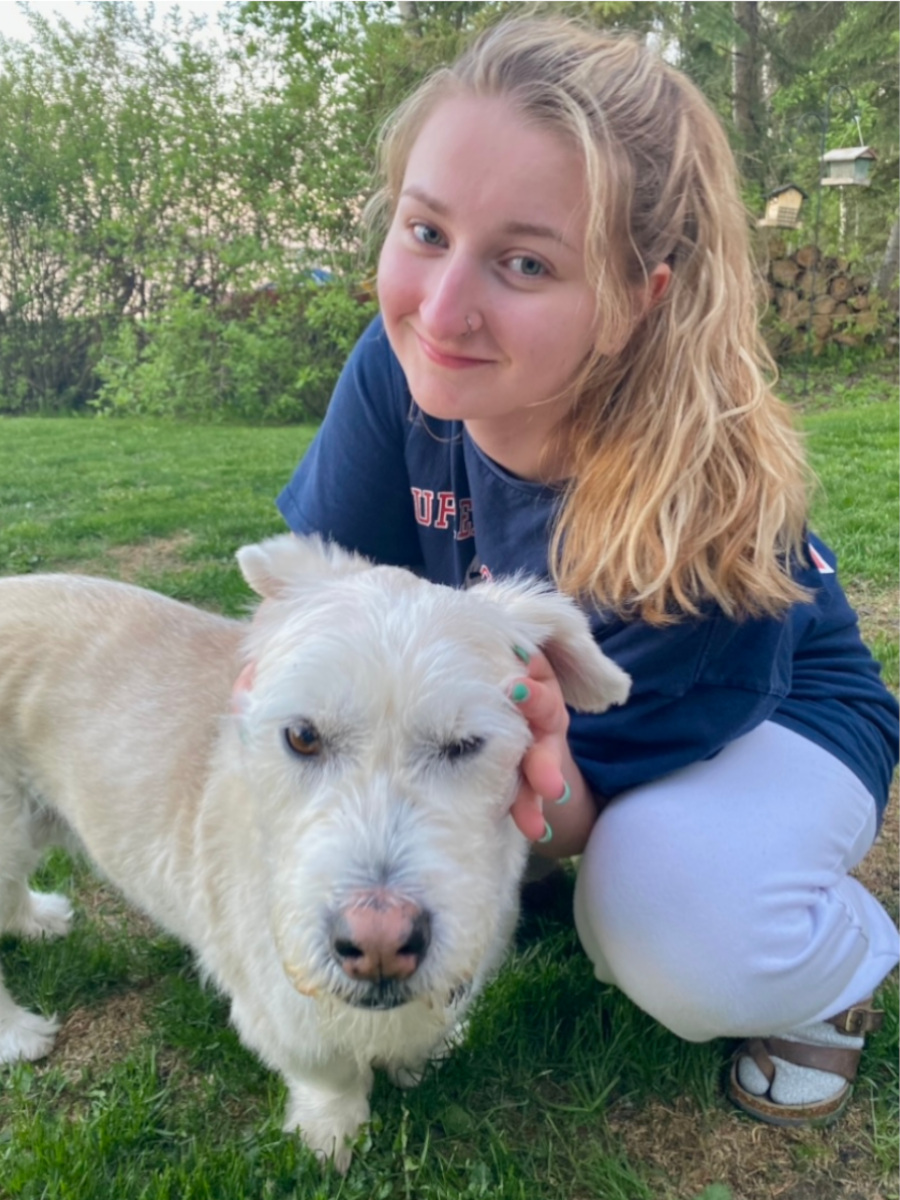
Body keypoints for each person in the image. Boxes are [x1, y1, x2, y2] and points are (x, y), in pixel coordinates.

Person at [276, 16, 899, 1127]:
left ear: (637, 297)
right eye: (426, 230)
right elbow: (325, 617)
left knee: (658, 923)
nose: (442, 307)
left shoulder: (706, 515)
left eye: (524, 262)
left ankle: (838, 969)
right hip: (573, 728)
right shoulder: (402, 367)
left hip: (780, 718)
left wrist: (538, 817)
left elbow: (565, 805)